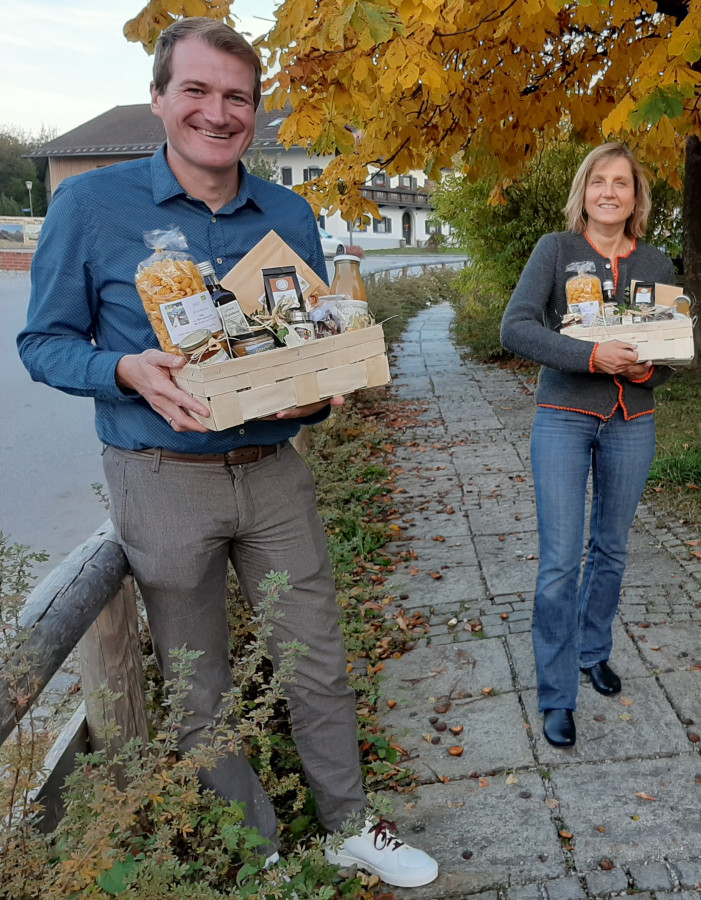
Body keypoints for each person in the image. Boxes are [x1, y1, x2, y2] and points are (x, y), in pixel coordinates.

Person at [17, 18, 438, 887]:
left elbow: (304, 341)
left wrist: (322, 386)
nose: (218, 112)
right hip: (160, 478)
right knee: (197, 681)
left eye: (237, 97)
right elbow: (43, 344)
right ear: (161, 100)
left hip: (275, 471)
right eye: (198, 91)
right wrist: (125, 367)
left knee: (316, 657)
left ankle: (349, 825)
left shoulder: (287, 213)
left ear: (255, 112)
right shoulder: (89, 207)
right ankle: (263, 844)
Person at [500, 143, 676, 748]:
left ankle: (592, 651)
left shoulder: (656, 260)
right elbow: (516, 327)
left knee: (612, 550)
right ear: (584, 191)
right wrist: (591, 356)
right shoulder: (556, 250)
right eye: (598, 181)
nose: (609, 192)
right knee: (558, 563)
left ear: (635, 196)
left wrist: (647, 370)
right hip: (564, 418)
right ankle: (556, 694)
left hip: (633, 419)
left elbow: (672, 348)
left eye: (621, 183)